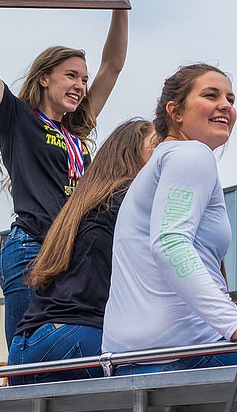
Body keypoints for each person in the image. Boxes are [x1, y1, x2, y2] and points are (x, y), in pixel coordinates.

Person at [0, 0, 135, 344]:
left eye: (84, 79)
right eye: (71, 76)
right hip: (31, 248)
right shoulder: (18, 119)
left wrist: (119, 1)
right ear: (44, 78)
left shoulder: (77, 127)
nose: (80, 85)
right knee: (29, 354)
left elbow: (114, 64)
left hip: (69, 252)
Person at [102, 64, 237, 373]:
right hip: (184, 352)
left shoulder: (159, 164)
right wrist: (233, 324)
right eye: (211, 95)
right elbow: (170, 242)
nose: (225, 105)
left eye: (231, 99)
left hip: (131, 358)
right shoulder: (190, 155)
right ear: (175, 112)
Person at [8, 119, 156, 384]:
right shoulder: (129, 198)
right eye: (156, 147)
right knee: (168, 368)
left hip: (29, 347)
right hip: (74, 338)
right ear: (131, 153)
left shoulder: (82, 206)